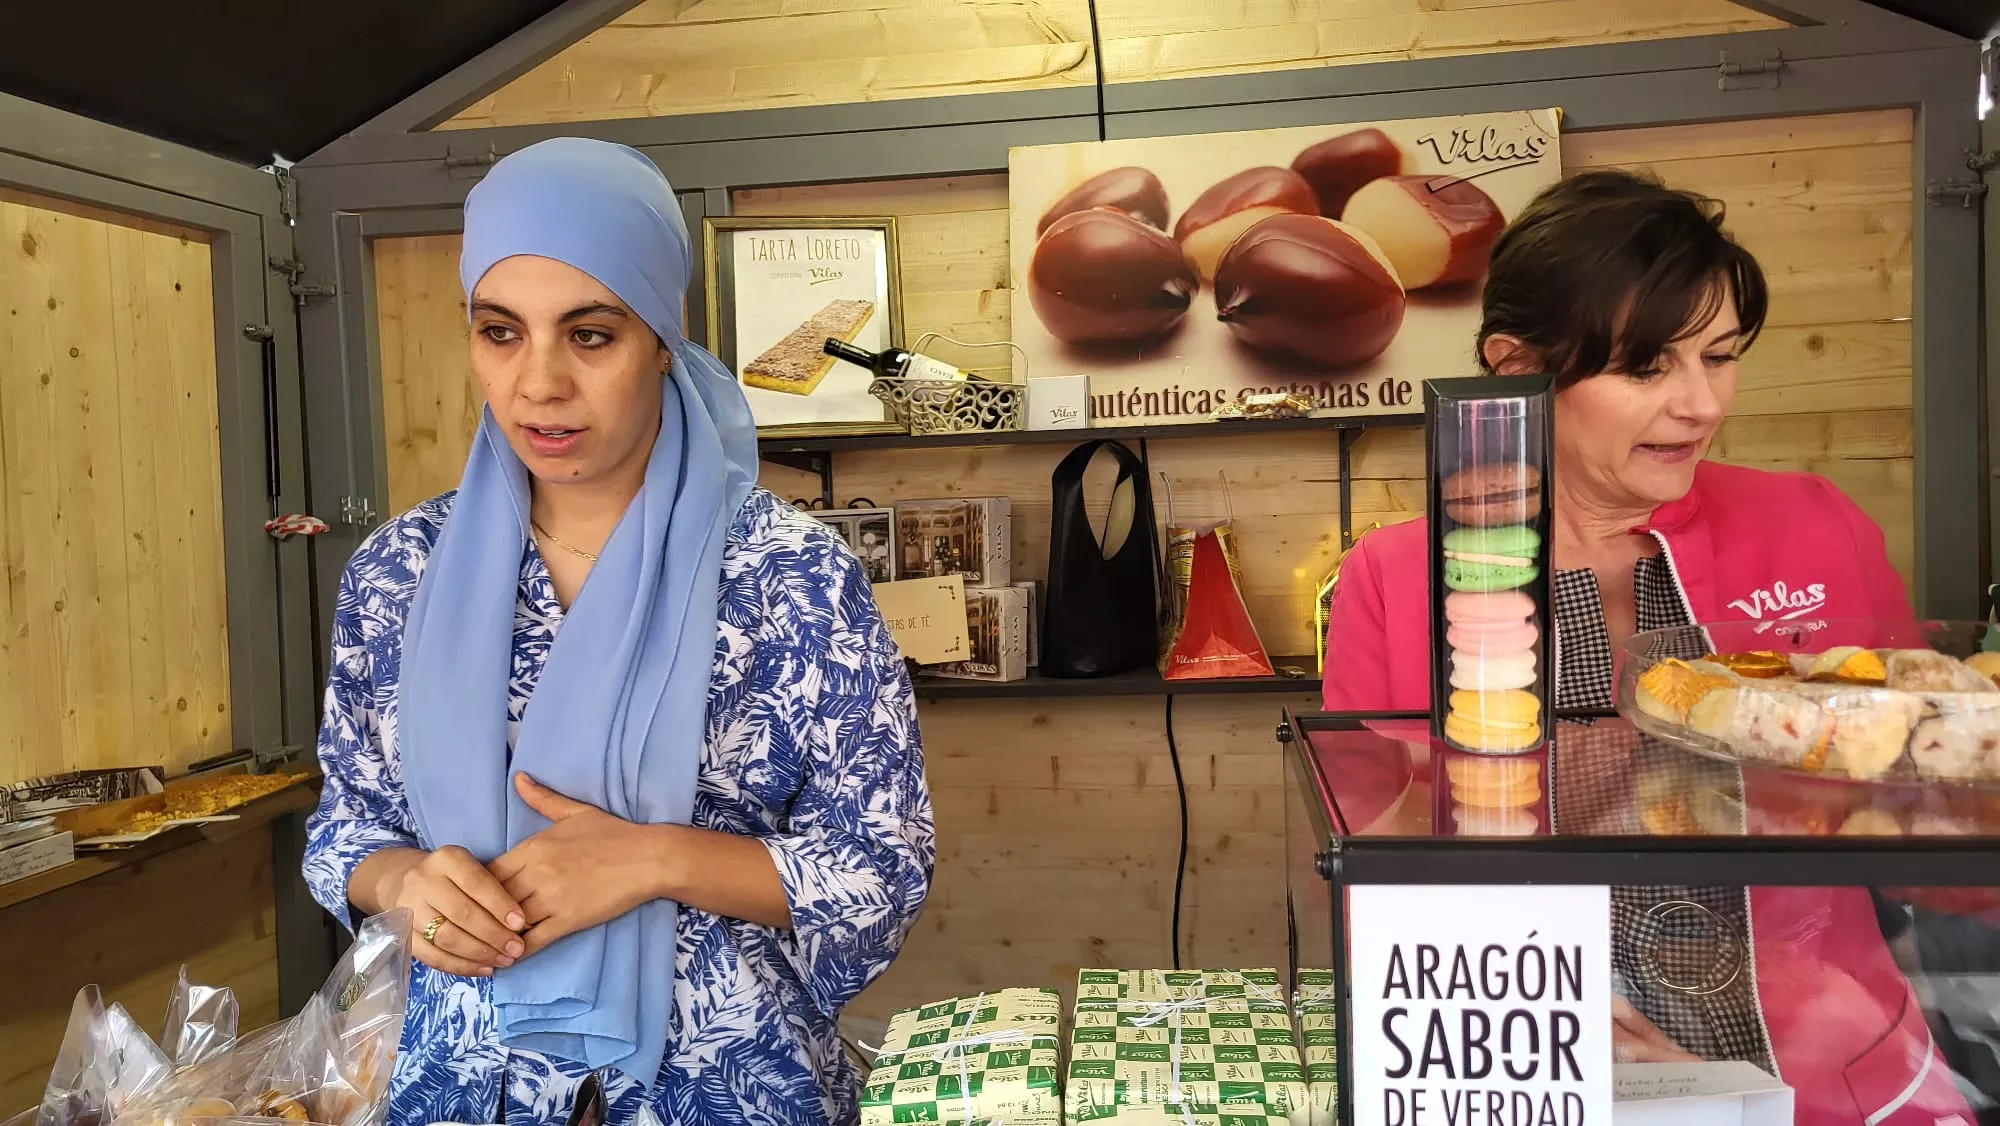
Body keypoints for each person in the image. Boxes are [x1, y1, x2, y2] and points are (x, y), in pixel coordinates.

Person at [302, 138, 933, 1126]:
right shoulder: (399, 572)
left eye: (590, 335)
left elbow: (881, 867)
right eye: (499, 332)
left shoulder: (787, 576)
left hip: (723, 1088)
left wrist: (656, 859)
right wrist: (405, 880)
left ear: (660, 339)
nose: (538, 383)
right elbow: (346, 826)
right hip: (463, 1088)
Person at [1321, 169, 1970, 1125]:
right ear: (1517, 368)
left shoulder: (1814, 525)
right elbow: (1381, 872)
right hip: (1536, 1057)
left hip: (1842, 1061)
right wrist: (1553, 1012)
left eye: (1721, 356)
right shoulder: (1397, 575)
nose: (1702, 404)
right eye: (1648, 368)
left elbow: (1928, 800)